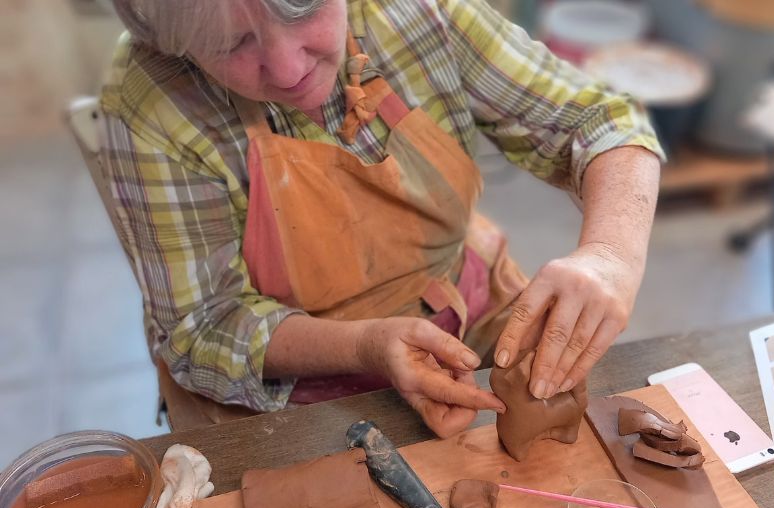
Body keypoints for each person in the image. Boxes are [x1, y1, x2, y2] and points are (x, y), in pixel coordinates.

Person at [101, 0, 663, 438]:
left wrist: (611, 254)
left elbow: (598, 118)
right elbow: (203, 327)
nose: (289, 66)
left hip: (466, 311)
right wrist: (366, 345)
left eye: (307, 10)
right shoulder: (151, 103)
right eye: (231, 44)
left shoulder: (415, 13)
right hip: (288, 387)